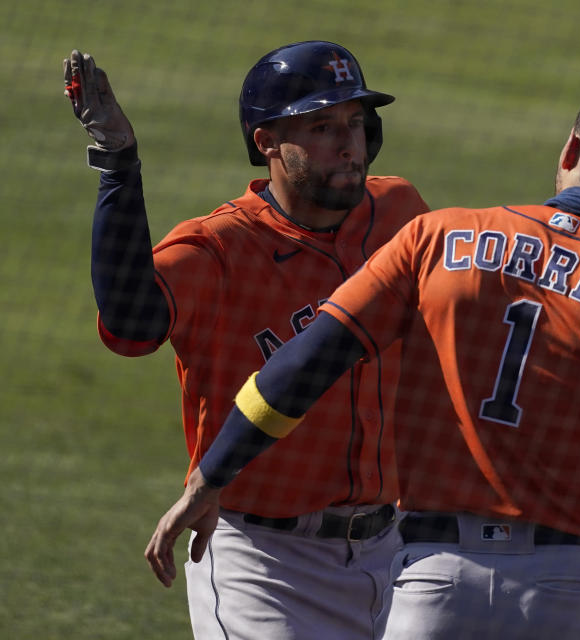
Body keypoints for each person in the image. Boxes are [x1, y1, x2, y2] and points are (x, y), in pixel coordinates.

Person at [145, 74, 580, 639]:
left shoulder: (441, 239)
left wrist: (211, 477)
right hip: (571, 595)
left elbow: (301, 365)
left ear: (570, 150)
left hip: (433, 590)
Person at [64, 42, 432, 639]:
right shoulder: (218, 250)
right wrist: (118, 163)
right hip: (263, 564)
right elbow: (130, 327)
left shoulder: (399, 212)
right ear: (266, 143)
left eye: (356, 123)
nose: (349, 144)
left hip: (394, 552)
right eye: (321, 126)